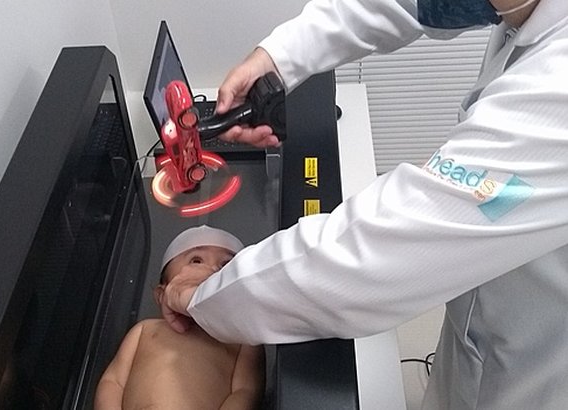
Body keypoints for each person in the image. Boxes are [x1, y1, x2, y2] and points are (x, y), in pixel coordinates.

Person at [159, 0, 568, 408]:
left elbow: (380, 251)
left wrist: (205, 297)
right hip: (486, 316)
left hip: (538, 366)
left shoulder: (558, 87)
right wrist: (276, 60)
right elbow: (395, 5)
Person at [95, 225, 264, 410]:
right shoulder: (144, 330)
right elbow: (113, 382)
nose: (213, 269)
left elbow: (245, 391)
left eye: (226, 265)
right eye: (196, 260)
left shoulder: (243, 340)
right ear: (162, 295)